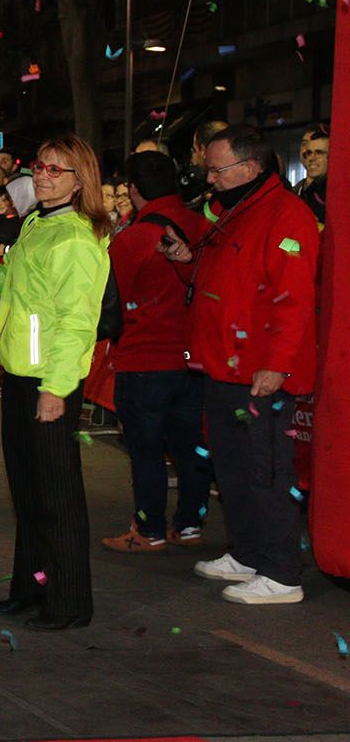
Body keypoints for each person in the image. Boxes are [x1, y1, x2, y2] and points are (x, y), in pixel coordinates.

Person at [159, 124, 319, 604]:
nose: (209, 178)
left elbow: (295, 302)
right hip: (222, 366)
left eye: (216, 169)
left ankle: (282, 572)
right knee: (231, 469)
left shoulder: (285, 216)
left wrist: (277, 367)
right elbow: (217, 281)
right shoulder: (234, 212)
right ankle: (248, 553)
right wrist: (187, 259)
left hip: (259, 373)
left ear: (249, 168)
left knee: (267, 473)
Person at [0, 134, 112, 630]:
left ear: (79, 181)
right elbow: (16, 291)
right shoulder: (36, 223)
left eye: (56, 169)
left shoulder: (74, 238)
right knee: (27, 493)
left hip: (49, 381)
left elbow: (76, 322)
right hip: (23, 378)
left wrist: (57, 387)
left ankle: (67, 601)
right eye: (40, 166)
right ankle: (30, 588)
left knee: (57, 497)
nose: (43, 175)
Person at [98, 151, 213, 554]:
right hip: (191, 358)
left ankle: (149, 529)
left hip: (144, 360)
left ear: (133, 188)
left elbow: (112, 300)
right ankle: (190, 523)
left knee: (146, 451)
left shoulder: (132, 239)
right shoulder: (201, 227)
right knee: (189, 446)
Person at [294, 123, 327, 225]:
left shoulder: (339, 193)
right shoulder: (300, 191)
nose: (311, 157)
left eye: (319, 152)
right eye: (309, 152)